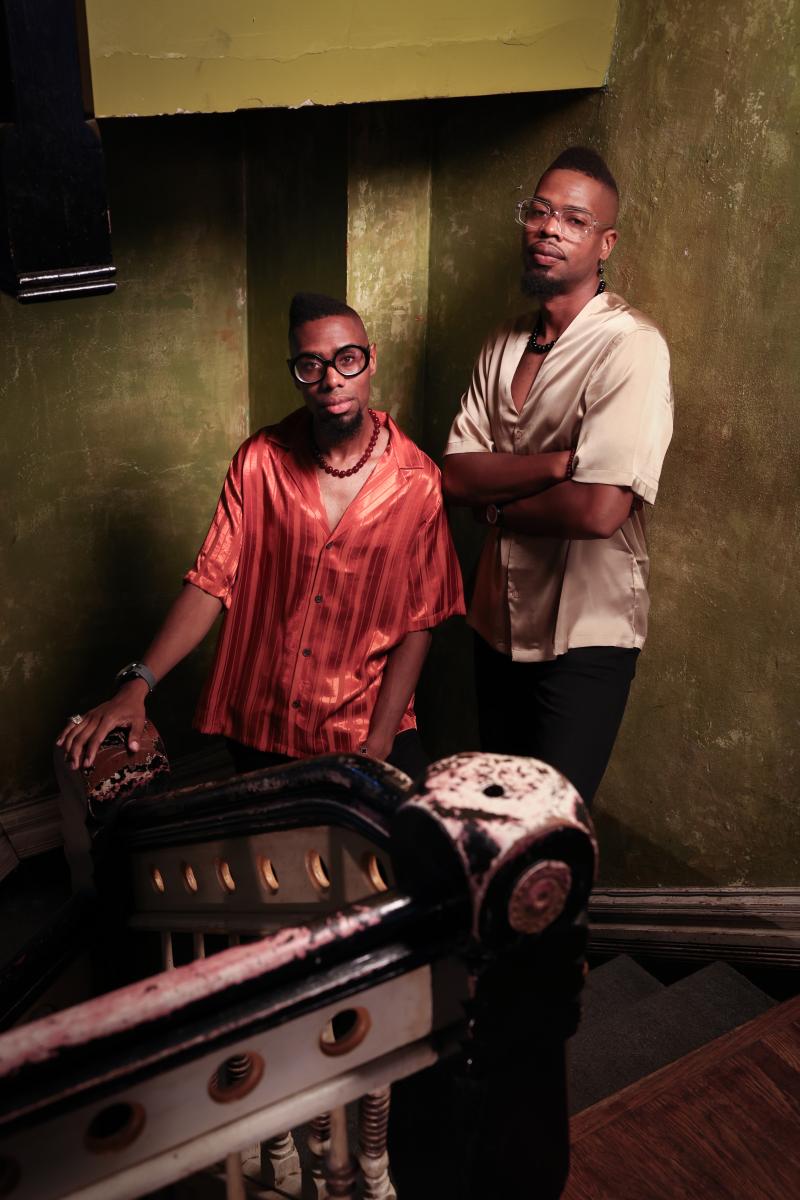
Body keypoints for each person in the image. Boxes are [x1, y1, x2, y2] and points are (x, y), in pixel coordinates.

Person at [58, 293, 464, 779]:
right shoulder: (258, 461)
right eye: (311, 366)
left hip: (361, 725)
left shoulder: (418, 481)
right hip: (259, 718)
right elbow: (211, 582)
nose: (332, 380)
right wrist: (137, 683)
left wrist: (379, 741)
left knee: (415, 821)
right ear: (295, 374)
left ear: (370, 359)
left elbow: (419, 620)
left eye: (347, 360)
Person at [442, 146, 673, 806]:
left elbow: (600, 511)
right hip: (495, 622)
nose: (549, 228)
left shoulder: (630, 345)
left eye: (574, 220)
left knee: (549, 826)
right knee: (497, 816)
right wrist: (553, 466)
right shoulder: (502, 342)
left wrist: (496, 508)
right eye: (540, 212)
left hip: (586, 638)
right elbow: (454, 476)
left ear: (606, 244)